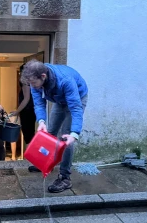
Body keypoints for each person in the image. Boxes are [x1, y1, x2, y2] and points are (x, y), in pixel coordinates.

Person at [20, 59, 88, 193]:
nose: (32, 86)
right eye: (30, 83)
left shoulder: (65, 80)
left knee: (65, 139)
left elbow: (75, 108)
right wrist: (41, 121)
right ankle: (45, 163)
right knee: (50, 133)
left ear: (43, 76)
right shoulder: (35, 82)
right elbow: (39, 104)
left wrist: (74, 133)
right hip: (59, 99)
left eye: (33, 83)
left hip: (77, 98)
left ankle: (65, 178)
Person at [10, 64, 37, 162]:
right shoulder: (33, 80)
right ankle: (31, 158)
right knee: (30, 133)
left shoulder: (25, 81)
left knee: (28, 134)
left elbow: (26, 99)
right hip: (31, 109)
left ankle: (30, 159)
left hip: (27, 110)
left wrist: (17, 111)